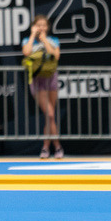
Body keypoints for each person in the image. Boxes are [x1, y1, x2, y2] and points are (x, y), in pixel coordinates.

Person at [22, 14, 63, 159]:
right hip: (38, 81)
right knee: (50, 114)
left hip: (51, 79)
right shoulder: (27, 40)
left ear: (47, 27)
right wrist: (33, 35)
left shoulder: (53, 40)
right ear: (33, 26)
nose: (41, 28)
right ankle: (57, 146)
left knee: (49, 117)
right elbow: (26, 53)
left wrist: (44, 39)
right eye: (38, 25)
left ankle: (47, 148)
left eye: (43, 25)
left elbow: (55, 56)